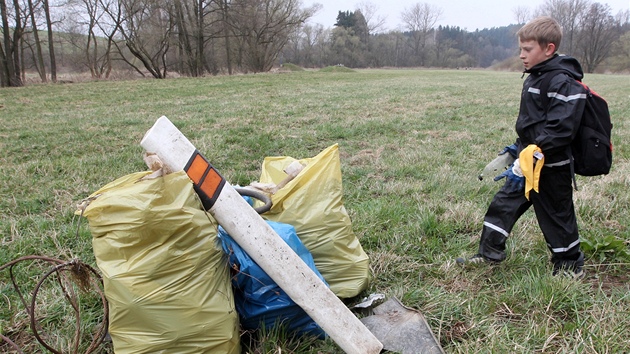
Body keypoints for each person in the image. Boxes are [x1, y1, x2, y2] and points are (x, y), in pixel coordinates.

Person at [457, 16, 586, 278]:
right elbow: (532, 125)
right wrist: (515, 150)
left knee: (558, 218)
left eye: (527, 50)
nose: (521, 55)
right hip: (525, 165)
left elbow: (560, 130)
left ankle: (570, 268)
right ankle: (488, 255)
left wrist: (527, 157)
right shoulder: (533, 78)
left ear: (548, 49)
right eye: (520, 49)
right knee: (502, 205)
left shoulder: (564, 82)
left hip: (552, 167)